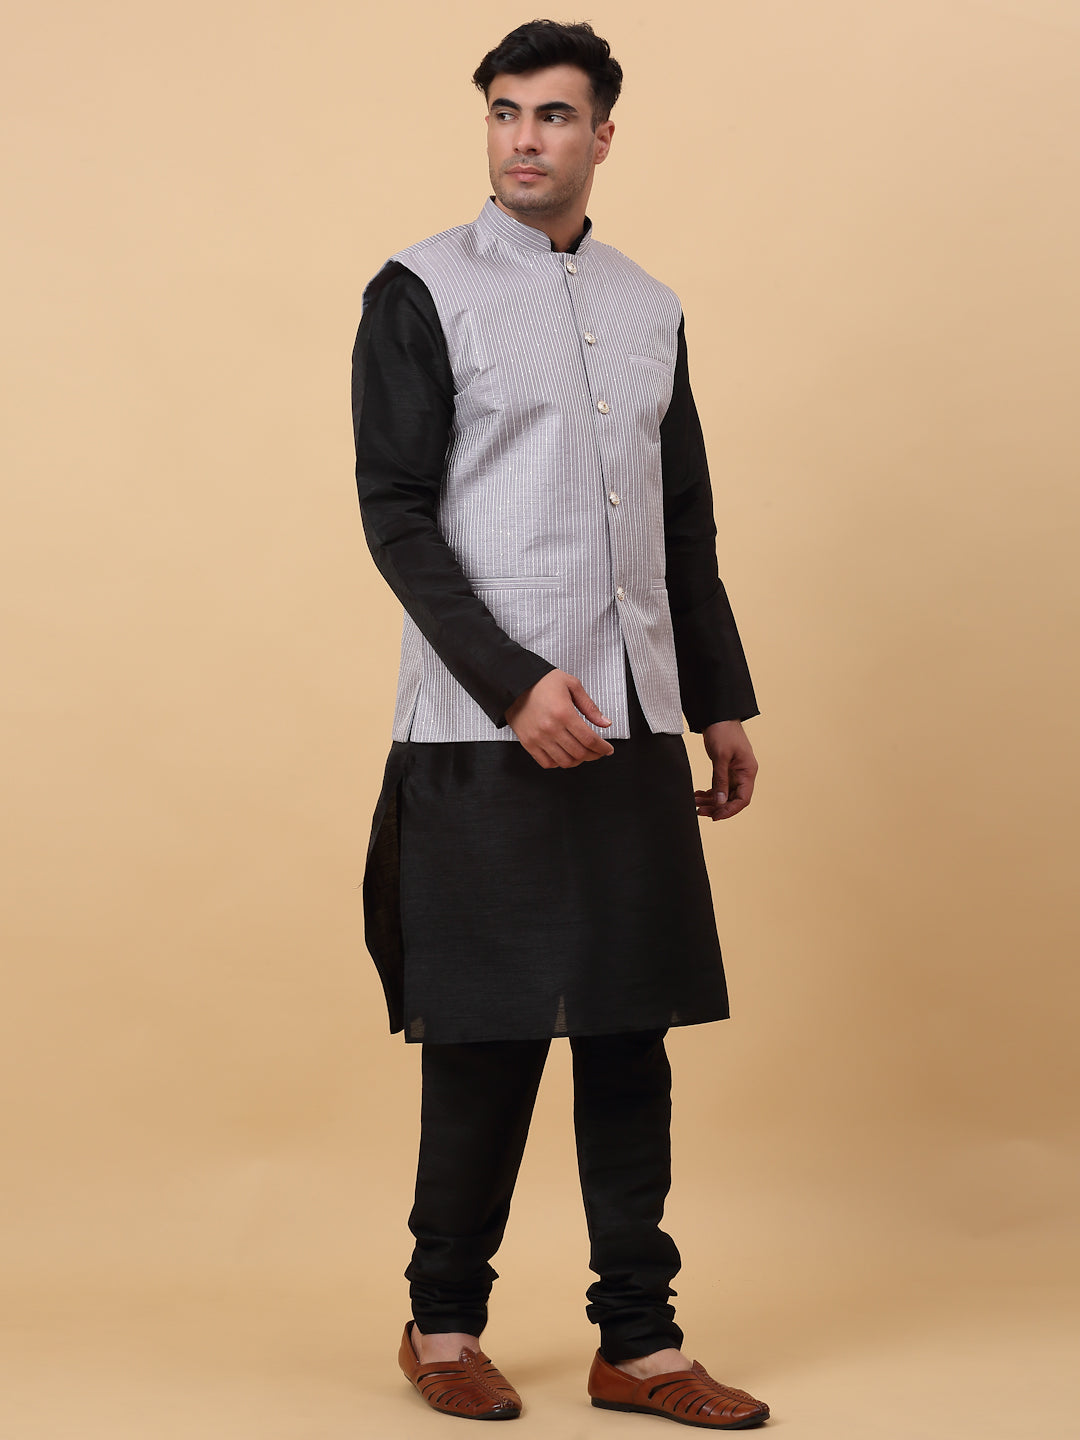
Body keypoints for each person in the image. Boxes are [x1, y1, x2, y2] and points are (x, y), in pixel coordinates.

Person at [351, 19, 769, 1429]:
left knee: (629, 1034)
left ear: (603, 135)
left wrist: (717, 702)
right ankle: (442, 1324)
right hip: (480, 732)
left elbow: (683, 523)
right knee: (483, 1034)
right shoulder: (421, 290)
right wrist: (510, 680)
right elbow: (396, 514)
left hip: (634, 719)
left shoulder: (651, 306)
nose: (524, 137)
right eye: (504, 112)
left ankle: (638, 1346)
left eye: (553, 114)